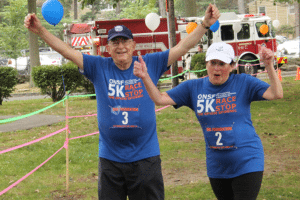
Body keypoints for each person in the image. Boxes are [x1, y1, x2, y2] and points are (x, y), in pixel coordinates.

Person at [24, 4, 220, 200]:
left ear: (133, 45)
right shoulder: (98, 66)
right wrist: (40, 30)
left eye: (124, 41)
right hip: (110, 160)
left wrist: (204, 24)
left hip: (146, 158)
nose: (120, 47)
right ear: (108, 48)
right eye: (115, 42)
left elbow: (183, 47)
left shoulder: (150, 63)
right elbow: (67, 52)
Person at [133, 42, 283, 200]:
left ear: (232, 66)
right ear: (206, 64)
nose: (217, 68)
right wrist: (145, 77)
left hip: (247, 161)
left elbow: (276, 93)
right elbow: (160, 99)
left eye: (222, 64)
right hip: (217, 165)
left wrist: (269, 65)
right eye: (213, 63)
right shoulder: (193, 87)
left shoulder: (244, 82)